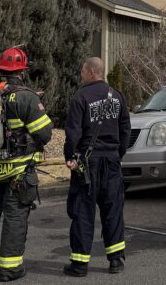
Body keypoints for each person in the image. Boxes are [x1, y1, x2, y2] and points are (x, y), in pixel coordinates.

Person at [0, 47, 53, 281]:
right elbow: (44, 133)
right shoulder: (26, 97)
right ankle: (9, 269)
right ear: (22, 72)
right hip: (18, 172)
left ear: (0, 70)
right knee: (14, 218)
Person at [63, 57, 131, 277]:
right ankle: (116, 260)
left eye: (83, 70)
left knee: (83, 211)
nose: (81, 74)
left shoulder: (80, 97)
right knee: (113, 210)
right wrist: (118, 154)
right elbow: (126, 129)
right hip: (111, 162)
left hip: (88, 164)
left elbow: (73, 132)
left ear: (92, 72)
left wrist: (70, 156)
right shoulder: (117, 96)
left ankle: (80, 264)